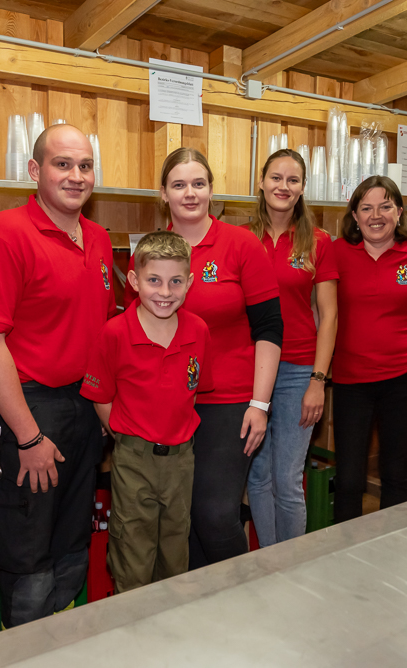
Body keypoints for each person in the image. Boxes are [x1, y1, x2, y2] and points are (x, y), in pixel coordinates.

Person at [0, 124, 116, 628]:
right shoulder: (4, 233)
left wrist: (101, 412)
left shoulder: (99, 239)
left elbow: (103, 332)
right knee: (26, 559)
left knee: (71, 549)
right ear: (35, 170)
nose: (76, 176)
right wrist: (28, 436)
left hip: (82, 410)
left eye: (85, 166)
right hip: (27, 411)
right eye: (62, 164)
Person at [125, 147, 282, 568]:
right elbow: (132, 330)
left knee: (214, 514)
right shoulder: (149, 252)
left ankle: (244, 594)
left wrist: (260, 404)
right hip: (168, 405)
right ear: (164, 194)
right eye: (179, 185)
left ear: (212, 190)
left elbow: (269, 328)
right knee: (180, 519)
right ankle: (199, 601)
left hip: (230, 402)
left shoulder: (241, 244)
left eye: (198, 183)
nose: (190, 193)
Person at [81, 230, 213, 592]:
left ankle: (170, 623)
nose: (165, 292)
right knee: (133, 555)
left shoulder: (198, 331)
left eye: (175, 282)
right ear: (135, 280)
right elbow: (101, 397)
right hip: (133, 460)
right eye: (154, 280)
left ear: (190, 282)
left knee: (175, 550)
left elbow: (193, 394)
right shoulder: (115, 333)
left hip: (181, 461)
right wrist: (129, 436)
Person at [331, 176, 407, 522]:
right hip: (351, 381)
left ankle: (390, 545)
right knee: (349, 479)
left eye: (385, 207)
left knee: (396, 474)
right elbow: (320, 311)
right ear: (355, 215)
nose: (376, 215)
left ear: (399, 211)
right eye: (366, 208)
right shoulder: (335, 253)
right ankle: (345, 547)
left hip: (405, 380)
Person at [245, 149, 338, 546]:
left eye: (293, 180)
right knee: (257, 475)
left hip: (299, 370)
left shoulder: (318, 242)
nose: (283, 186)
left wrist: (318, 380)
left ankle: (291, 564)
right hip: (251, 372)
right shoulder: (242, 238)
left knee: (287, 478)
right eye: (276, 178)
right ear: (261, 182)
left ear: (302, 188)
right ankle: (269, 560)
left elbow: (329, 316)